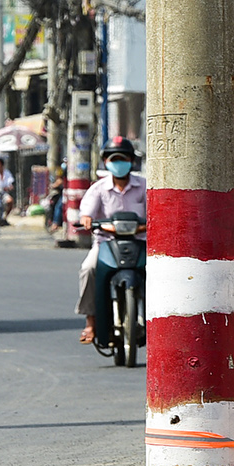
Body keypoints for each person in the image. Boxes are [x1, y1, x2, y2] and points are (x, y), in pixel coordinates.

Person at [76, 137, 145, 345]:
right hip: (106, 243)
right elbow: (86, 212)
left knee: (161, 272)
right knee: (88, 269)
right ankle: (90, 321)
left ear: (131, 161)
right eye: (113, 159)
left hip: (141, 242)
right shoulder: (98, 189)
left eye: (123, 158)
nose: (118, 163)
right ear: (106, 162)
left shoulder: (144, 186)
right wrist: (86, 219)